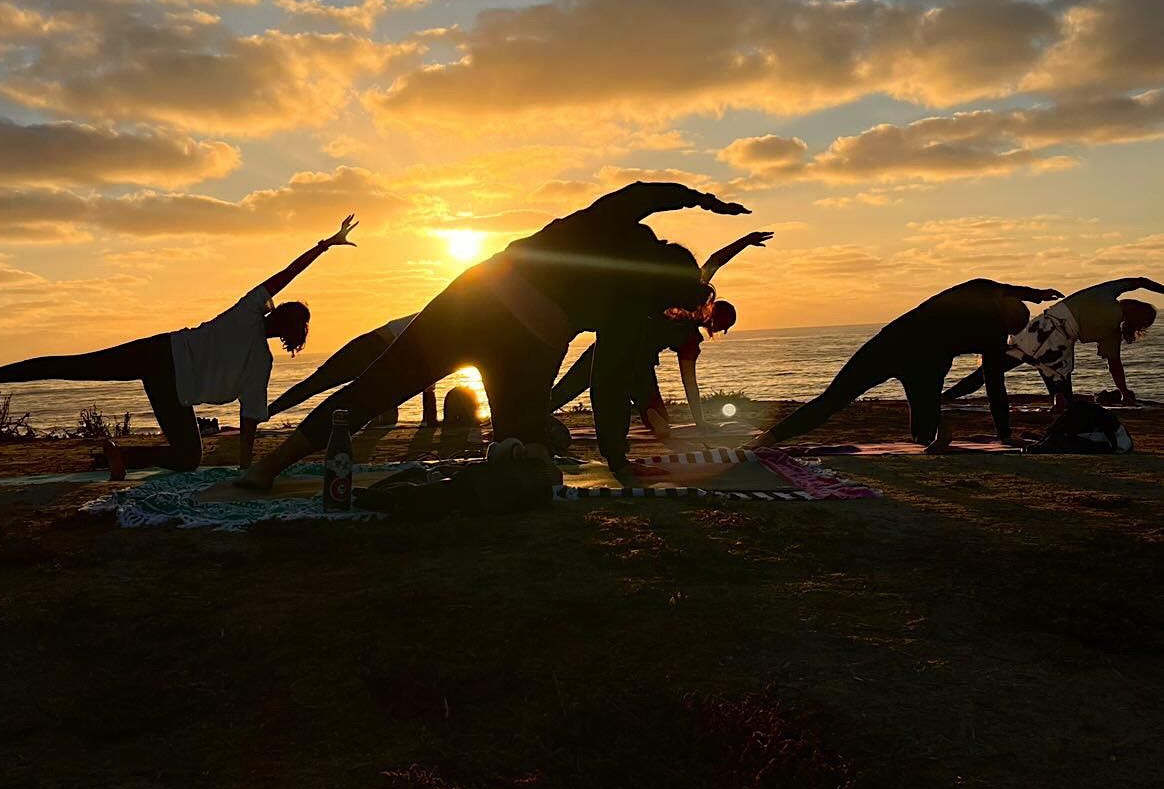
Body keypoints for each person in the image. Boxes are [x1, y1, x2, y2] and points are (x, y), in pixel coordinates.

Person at [221, 182, 750, 495]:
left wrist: (701, 200)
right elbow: (609, 383)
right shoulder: (633, 292)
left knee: (377, 388)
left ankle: (268, 466)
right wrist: (616, 463)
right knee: (527, 458)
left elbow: (644, 194)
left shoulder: (615, 231)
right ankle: (510, 460)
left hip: (479, 304)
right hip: (515, 337)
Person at [0, 215, 359, 476]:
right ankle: (115, 455)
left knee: (74, 366)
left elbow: (285, 274)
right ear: (291, 336)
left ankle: (116, 456)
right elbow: (249, 419)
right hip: (166, 369)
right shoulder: (259, 359)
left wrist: (325, 245)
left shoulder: (246, 313)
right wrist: (246, 467)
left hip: (163, 358)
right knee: (186, 456)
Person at [757, 278, 1063, 451]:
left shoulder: (994, 329)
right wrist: (1034, 294)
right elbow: (991, 286)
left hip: (922, 363)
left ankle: (927, 438)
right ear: (1003, 306)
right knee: (835, 398)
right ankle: (767, 439)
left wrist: (1004, 433)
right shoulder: (982, 298)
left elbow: (994, 383)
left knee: (917, 426)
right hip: (894, 347)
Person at [549, 230, 774, 435]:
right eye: (722, 327)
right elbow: (689, 383)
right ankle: (530, 421)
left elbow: (715, 260)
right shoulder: (689, 314)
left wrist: (745, 241)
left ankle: (534, 418)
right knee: (564, 394)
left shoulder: (689, 304)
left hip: (626, 355)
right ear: (715, 322)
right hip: (623, 353)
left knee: (565, 393)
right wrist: (700, 423)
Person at [942, 276, 1163, 409]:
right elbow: (1114, 365)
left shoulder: (1107, 293)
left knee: (992, 369)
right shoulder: (1113, 333)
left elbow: (1140, 281)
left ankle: (946, 397)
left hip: (1039, 329)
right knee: (1060, 385)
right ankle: (1059, 402)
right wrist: (1124, 392)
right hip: (1056, 348)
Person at [265, 311, 437, 426]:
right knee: (316, 384)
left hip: (384, 353)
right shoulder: (437, 318)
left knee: (320, 386)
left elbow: (427, 370)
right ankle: (264, 414)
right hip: (371, 346)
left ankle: (264, 415)